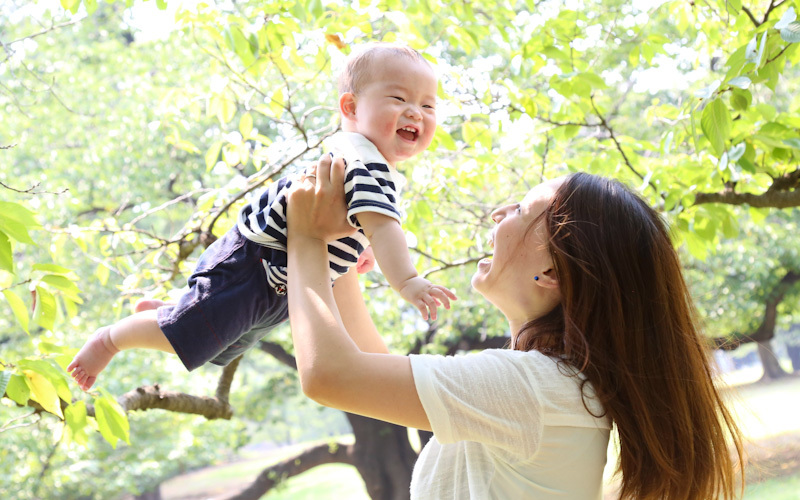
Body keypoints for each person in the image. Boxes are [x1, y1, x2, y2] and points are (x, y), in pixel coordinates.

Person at [284, 155, 745, 499]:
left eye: (522, 211)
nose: (498, 212)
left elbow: (332, 376)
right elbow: (372, 373)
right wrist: (338, 258)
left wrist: (303, 236)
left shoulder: (532, 389)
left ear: (553, 274)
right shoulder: (549, 385)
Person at [68, 42, 456, 391]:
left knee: (223, 343)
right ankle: (111, 338)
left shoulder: (368, 161)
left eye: (427, 105)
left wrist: (360, 248)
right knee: (196, 335)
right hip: (256, 264)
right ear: (351, 107)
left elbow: (365, 222)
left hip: (280, 281)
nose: (415, 113)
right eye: (398, 98)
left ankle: (173, 313)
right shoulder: (365, 162)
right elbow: (383, 225)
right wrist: (407, 281)